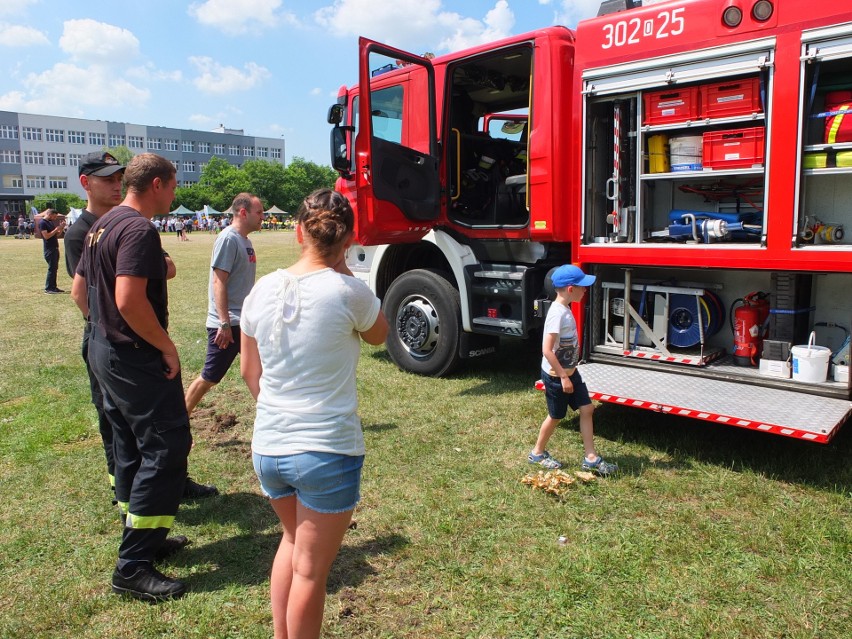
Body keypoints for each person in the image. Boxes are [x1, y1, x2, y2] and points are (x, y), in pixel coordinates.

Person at [240, 188, 388, 639]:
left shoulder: (262, 287)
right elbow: (380, 336)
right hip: (327, 451)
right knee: (310, 572)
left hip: (269, 447)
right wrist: (344, 271)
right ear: (349, 238)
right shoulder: (351, 292)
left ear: (298, 232)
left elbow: (251, 373)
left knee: (291, 543)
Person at [71, 153, 192, 602]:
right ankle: (133, 565)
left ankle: (144, 537)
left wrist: (103, 336)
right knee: (165, 445)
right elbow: (128, 299)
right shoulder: (138, 228)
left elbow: (80, 292)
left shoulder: (102, 225)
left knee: (130, 446)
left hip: (105, 352)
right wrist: (164, 344)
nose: (175, 194)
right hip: (133, 356)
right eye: (174, 186)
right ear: (157, 184)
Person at [64, 151, 126, 500]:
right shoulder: (79, 233)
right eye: (108, 179)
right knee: (112, 417)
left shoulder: (122, 221)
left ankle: (172, 481)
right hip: (106, 336)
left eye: (119, 178)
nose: (117, 184)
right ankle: (123, 490)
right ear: (86, 183)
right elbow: (83, 295)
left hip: (133, 333)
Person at [528, 264, 617, 476]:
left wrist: (569, 373)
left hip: (570, 373)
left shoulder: (565, 309)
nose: (585, 290)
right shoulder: (556, 314)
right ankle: (537, 453)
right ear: (570, 289)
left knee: (587, 409)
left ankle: (591, 458)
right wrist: (562, 377)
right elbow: (547, 350)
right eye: (582, 287)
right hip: (556, 376)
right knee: (556, 416)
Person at [185, 193, 263, 416]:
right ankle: (179, 420)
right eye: (259, 212)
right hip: (228, 325)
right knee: (210, 376)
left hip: (243, 321)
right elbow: (218, 281)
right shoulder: (228, 239)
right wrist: (224, 323)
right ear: (243, 212)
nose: (262, 217)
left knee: (260, 369)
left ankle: (274, 414)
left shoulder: (245, 240)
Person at [39, 208, 65, 293]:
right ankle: (48, 288)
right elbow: (46, 236)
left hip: (55, 248)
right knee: (51, 268)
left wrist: (61, 228)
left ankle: (54, 287)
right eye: (54, 216)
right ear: (49, 214)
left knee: (54, 268)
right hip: (49, 249)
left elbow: (56, 235)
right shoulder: (42, 223)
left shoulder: (50, 222)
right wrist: (56, 229)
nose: (55, 218)